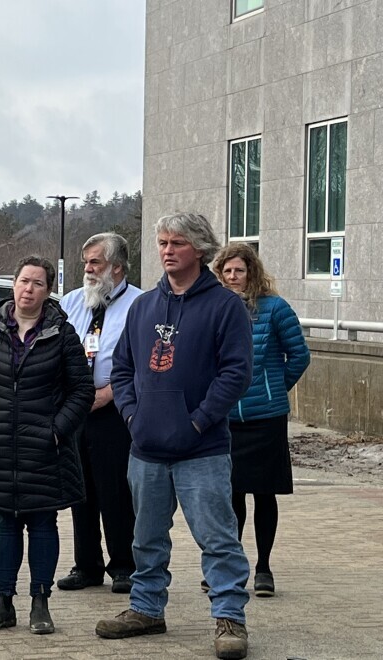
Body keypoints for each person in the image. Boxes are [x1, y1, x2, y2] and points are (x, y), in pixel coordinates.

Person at [95, 212, 253, 660]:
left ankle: (229, 618)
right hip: (146, 449)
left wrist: (200, 420)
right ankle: (146, 608)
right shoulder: (144, 307)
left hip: (202, 449)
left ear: (200, 250)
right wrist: (131, 415)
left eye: (177, 243)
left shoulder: (226, 306)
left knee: (217, 537)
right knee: (145, 537)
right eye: (162, 242)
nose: (166, 250)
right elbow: (122, 369)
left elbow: (236, 373)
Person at [0, 256, 93, 635]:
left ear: (47, 290)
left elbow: (82, 390)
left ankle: (40, 601)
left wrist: (57, 430)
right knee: (5, 523)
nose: (28, 289)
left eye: (37, 284)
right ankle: (2, 601)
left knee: (43, 523)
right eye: (23, 281)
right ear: (13, 284)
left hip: (46, 448)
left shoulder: (62, 333)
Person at [212, 243, 310, 598]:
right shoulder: (214, 309)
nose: (234, 277)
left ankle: (264, 567)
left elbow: (299, 354)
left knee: (264, 494)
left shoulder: (275, 308)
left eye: (240, 270)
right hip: (226, 418)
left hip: (265, 418)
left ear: (252, 273)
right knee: (230, 495)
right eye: (227, 271)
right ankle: (228, 567)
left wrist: (273, 389)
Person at [56, 232, 142, 595]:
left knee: (116, 491)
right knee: (81, 490)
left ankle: (124, 565)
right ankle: (86, 565)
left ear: (118, 268)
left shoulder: (141, 304)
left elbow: (147, 363)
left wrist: (110, 392)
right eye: (86, 262)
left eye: (96, 263)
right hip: (76, 410)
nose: (88, 270)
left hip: (115, 409)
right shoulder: (73, 301)